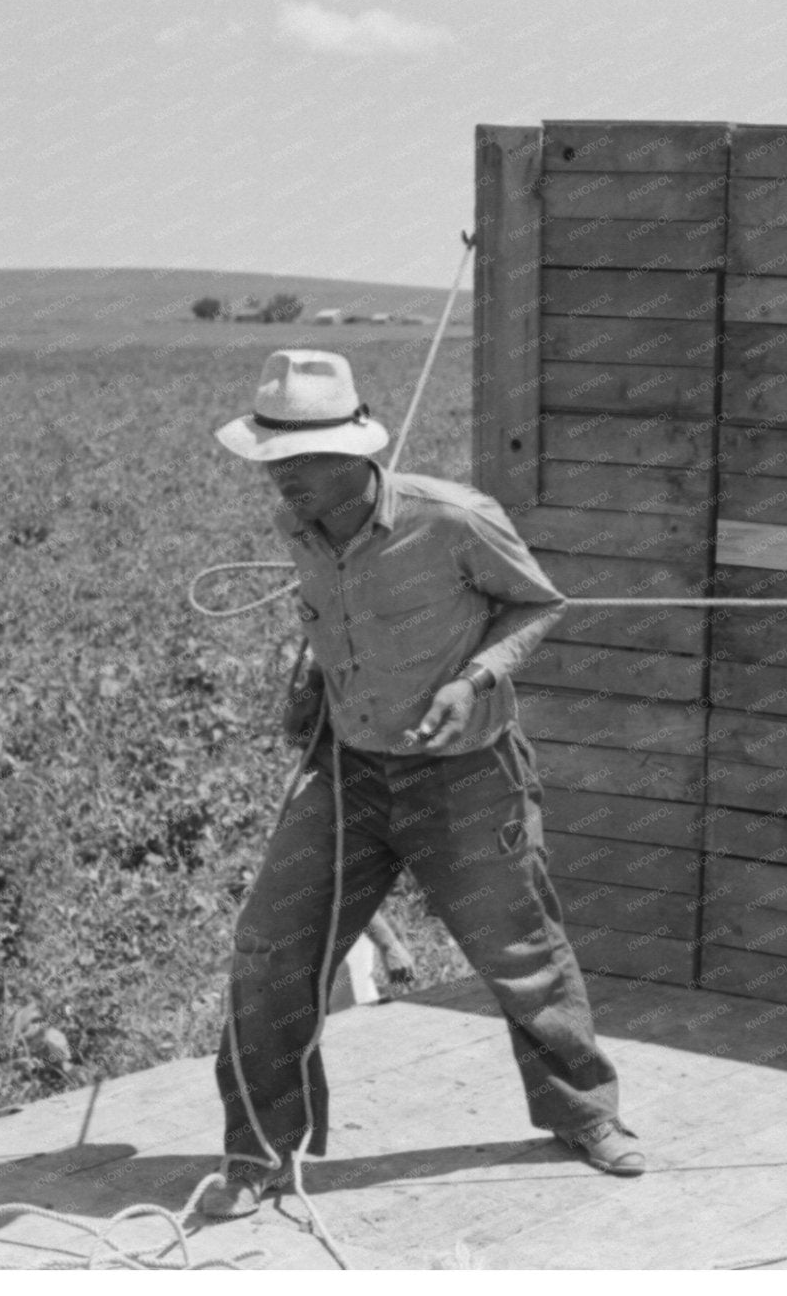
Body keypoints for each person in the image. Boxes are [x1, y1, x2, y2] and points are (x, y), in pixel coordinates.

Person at [202, 349, 641, 1219]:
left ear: (352, 453)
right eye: (270, 458)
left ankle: (584, 1113)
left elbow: (538, 604)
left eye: (296, 460)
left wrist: (473, 679)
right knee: (270, 946)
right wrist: (313, 681)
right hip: (349, 771)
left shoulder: (454, 519)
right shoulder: (299, 521)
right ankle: (259, 1151)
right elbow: (335, 613)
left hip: (467, 772)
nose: (279, 478)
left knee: (521, 952)